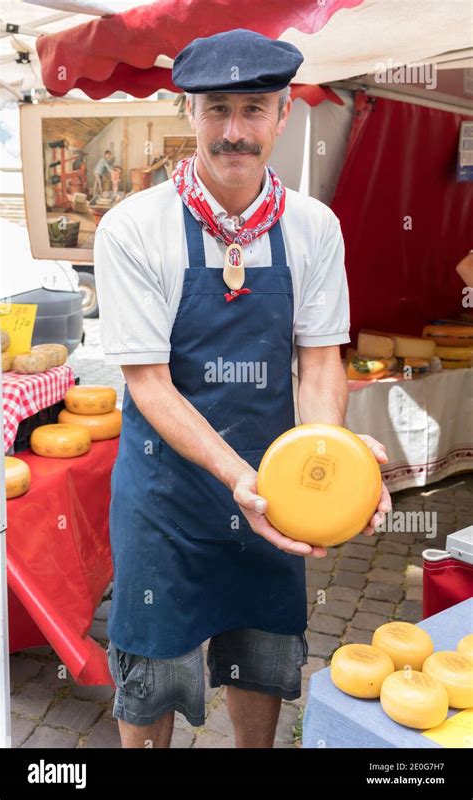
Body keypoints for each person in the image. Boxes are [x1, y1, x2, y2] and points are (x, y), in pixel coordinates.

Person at [94, 28, 391, 749]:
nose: (235, 131)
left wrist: (332, 466)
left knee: (262, 657)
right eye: (216, 109)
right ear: (187, 112)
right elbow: (149, 385)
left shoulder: (314, 228)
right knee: (153, 671)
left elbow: (320, 362)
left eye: (254, 109)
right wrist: (242, 482)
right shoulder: (136, 228)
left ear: (284, 114)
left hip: (276, 488)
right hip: (166, 499)